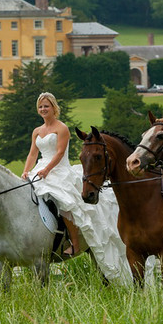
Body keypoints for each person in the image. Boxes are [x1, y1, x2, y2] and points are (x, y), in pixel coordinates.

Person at [22, 92, 133, 285]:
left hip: (58, 170)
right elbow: (33, 154)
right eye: (40, 107)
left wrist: (47, 169)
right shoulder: (37, 131)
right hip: (40, 169)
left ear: (53, 107)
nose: (43, 110)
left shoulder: (61, 128)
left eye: (46, 106)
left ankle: (74, 243)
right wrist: (26, 171)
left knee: (64, 202)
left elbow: (59, 152)